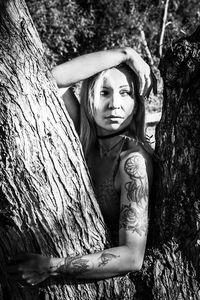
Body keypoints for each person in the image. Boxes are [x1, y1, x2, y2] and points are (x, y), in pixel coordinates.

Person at [7, 47, 155, 285]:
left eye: (126, 93)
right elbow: (51, 79)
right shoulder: (84, 139)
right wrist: (126, 54)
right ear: (89, 98)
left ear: (136, 104)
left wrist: (51, 266)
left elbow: (132, 256)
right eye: (104, 92)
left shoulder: (132, 161)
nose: (115, 104)